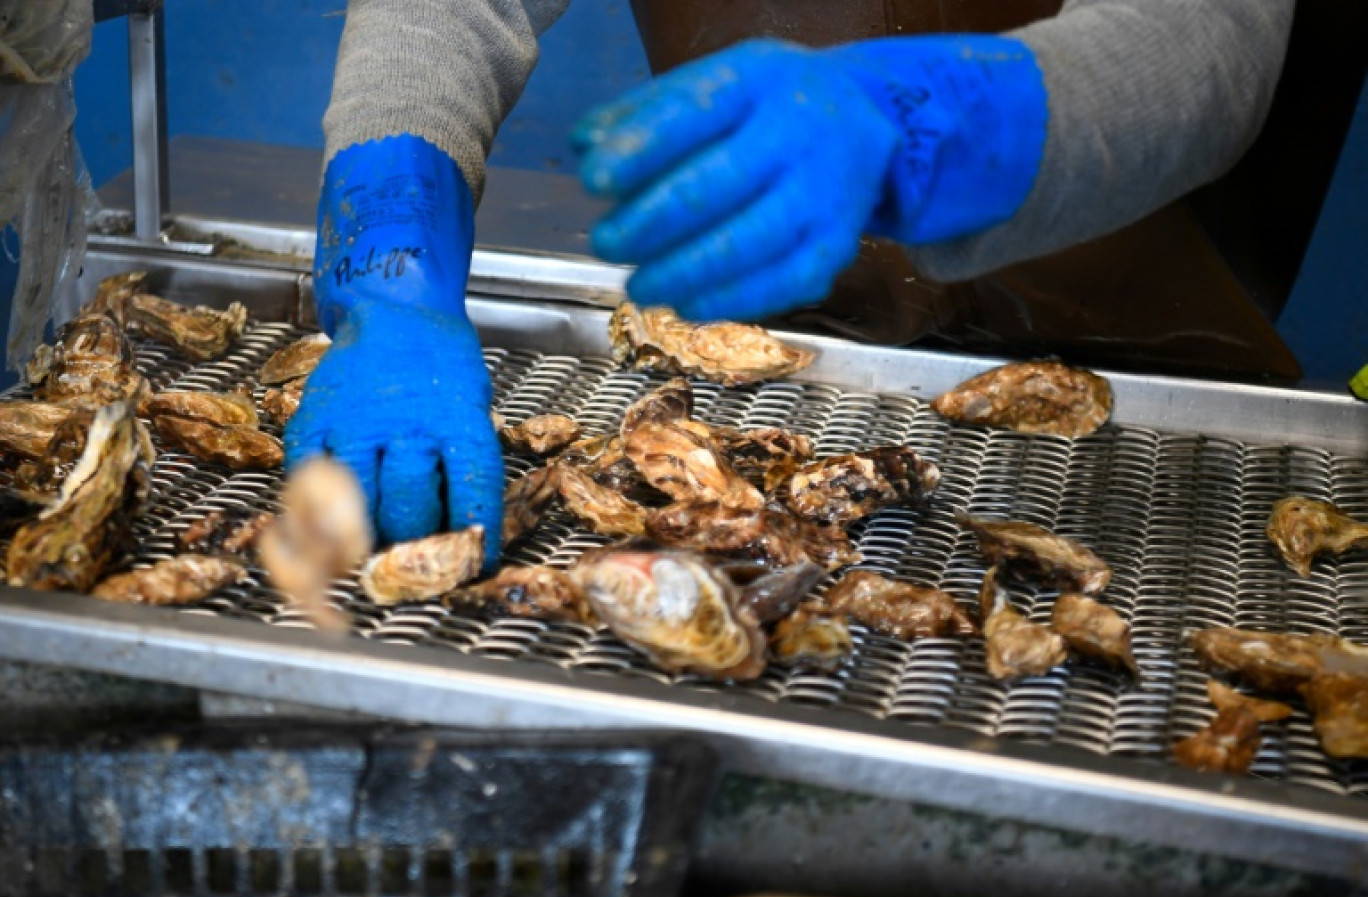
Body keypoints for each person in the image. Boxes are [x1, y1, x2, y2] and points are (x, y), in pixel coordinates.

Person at [287, 1, 1296, 562]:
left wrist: (925, 125)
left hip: (1140, 415)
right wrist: (392, 254)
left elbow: (1212, 40)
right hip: (766, 378)